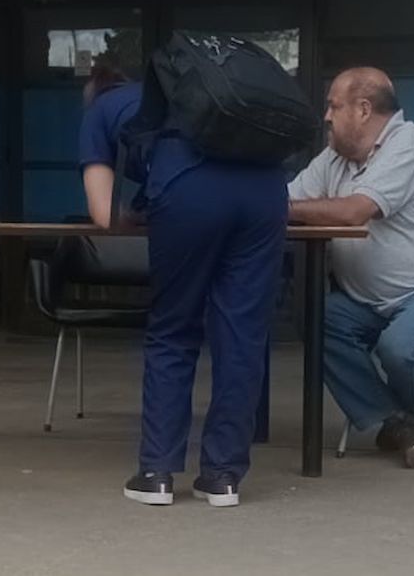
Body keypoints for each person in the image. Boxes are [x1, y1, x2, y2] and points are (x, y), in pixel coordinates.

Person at [78, 62, 287, 507]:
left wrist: (141, 213)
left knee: (174, 330)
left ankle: (156, 473)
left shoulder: (102, 110)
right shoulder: (198, 95)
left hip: (189, 188)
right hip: (267, 190)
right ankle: (223, 477)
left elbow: (104, 215)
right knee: (243, 336)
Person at [286, 67, 414, 468]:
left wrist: (278, 209)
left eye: (333, 106)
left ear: (362, 109)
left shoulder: (407, 145)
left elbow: (356, 211)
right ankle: (395, 421)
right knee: (317, 319)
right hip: (367, 298)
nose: (326, 116)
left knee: (401, 349)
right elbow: (288, 198)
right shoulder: (334, 159)